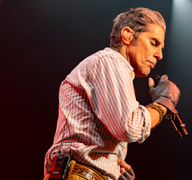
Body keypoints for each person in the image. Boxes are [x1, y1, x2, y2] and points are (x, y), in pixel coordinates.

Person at [43, 7, 180, 180]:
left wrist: (112, 169)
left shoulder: (115, 70)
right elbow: (129, 128)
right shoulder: (110, 61)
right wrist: (163, 103)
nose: (159, 55)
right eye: (154, 43)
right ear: (128, 35)